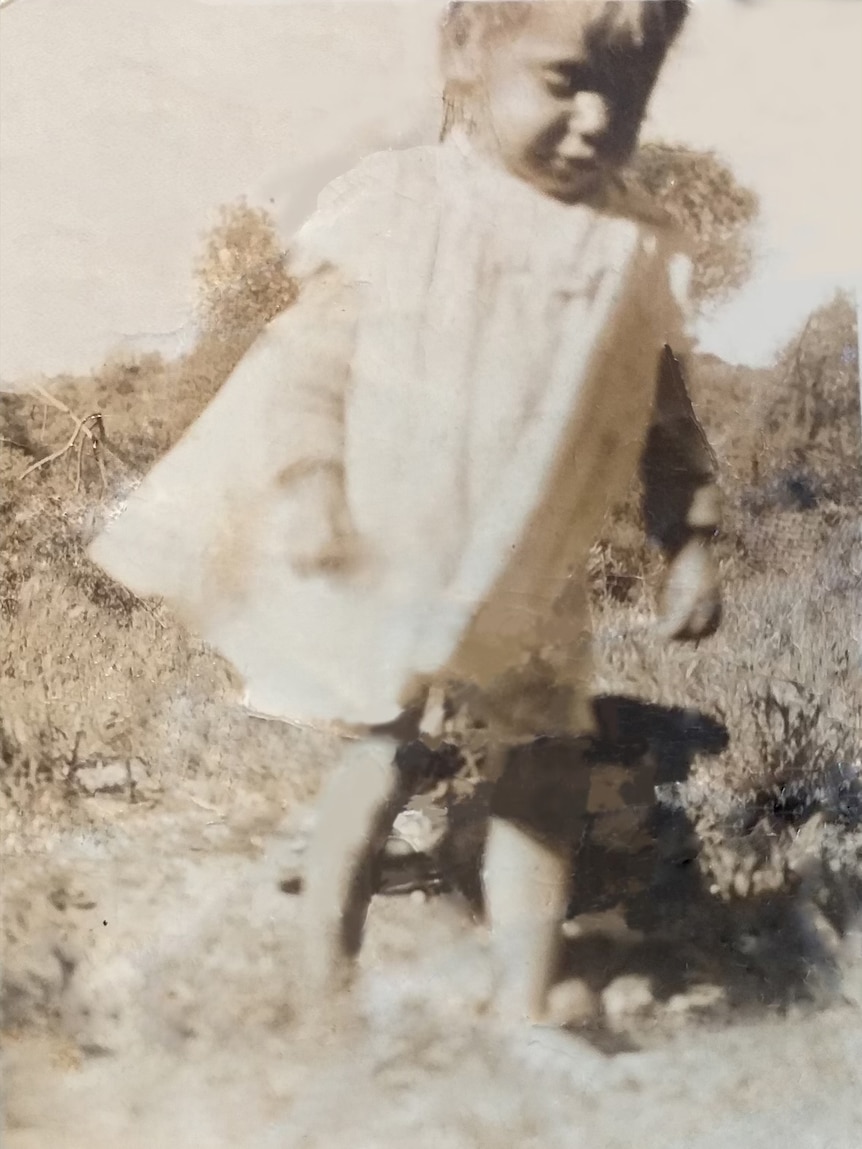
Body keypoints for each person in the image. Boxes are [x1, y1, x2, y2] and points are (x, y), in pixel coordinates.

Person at [89, 0, 721, 1033]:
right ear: (469, 59)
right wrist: (308, 486)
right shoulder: (398, 205)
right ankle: (324, 990)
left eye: (633, 86)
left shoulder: (633, 241)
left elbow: (664, 409)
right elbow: (308, 367)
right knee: (378, 757)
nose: (601, 116)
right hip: (394, 536)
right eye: (566, 80)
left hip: (531, 555)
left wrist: (688, 536)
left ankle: (521, 1001)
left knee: (542, 764)